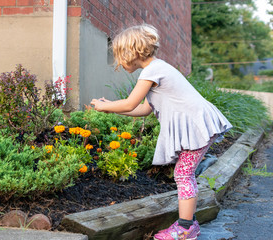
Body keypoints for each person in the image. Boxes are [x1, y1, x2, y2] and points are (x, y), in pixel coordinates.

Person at [90, 24, 232, 240]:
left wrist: (105, 106)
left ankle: (186, 228)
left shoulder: (152, 71)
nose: (118, 62)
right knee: (185, 174)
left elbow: (129, 104)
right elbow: (144, 109)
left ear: (132, 52)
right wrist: (111, 104)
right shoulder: (157, 69)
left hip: (197, 125)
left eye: (119, 55)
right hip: (198, 123)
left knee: (183, 174)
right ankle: (187, 225)